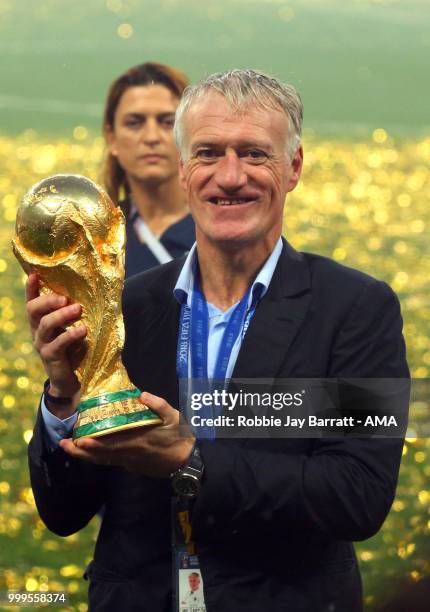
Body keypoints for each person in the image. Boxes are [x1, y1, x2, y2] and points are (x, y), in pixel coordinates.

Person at [26, 70, 409, 611]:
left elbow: (356, 495)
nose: (230, 177)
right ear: (184, 170)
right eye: (208, 153)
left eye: (254, 154)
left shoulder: (355, 310)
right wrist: (64, 395)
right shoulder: (124, 310)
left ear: (293, 167)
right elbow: (63, 513)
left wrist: (187, 456)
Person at [103, 62, 195, 277]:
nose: (151, 137)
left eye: (167, 122)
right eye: (134, 123)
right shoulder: (97, 241)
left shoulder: (223, 230)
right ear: (112, 138)